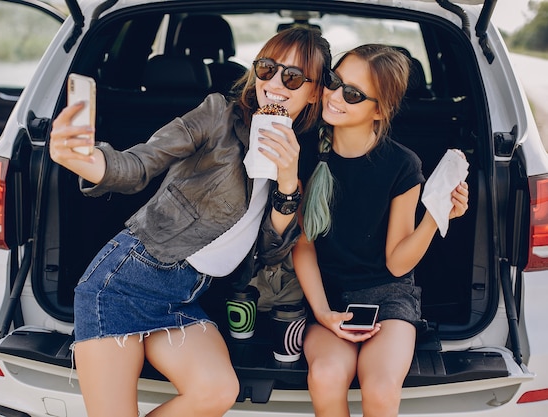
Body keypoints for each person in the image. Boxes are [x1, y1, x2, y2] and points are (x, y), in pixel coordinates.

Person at [49, 26, 331, 417]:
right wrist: (84, 160)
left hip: (185, 297)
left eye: (294, 76)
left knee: (217, 391)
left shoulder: (299, 162)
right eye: (267, 68)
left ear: (314, 92)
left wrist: (287, 182)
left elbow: (270, 251)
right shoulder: (218, 115)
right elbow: (141, 162)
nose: (276, 83)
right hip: (124, 285)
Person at [292, 44, 470, 417]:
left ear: (381, 110)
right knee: (325, 375)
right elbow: (303, 245)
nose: (335, 96)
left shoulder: (402, 165)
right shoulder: (305, 150)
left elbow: (397, 263)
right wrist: (323, 312)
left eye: (353, 94)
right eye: (334, 81)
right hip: (325, 293)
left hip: (389, 296)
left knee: (381, 389)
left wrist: (437, 217)